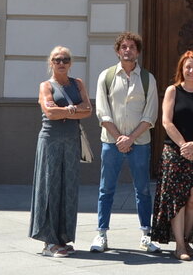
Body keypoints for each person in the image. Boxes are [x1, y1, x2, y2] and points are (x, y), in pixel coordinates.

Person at [91, 32, 161, 253]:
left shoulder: (148, 79)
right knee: (106, 189)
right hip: (110, 142)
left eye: (132, 47)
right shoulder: (106, 76)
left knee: (143, 190)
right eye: (124, 47)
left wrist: (130, 138)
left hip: (139, 143)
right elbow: (102, 112)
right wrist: (119, 137)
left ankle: (146, 235)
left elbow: (150, 114)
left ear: (138, 51)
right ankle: (101, 234)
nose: (128, 50)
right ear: (118, 51)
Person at [150, 50, 193, 260]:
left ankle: (187, 240)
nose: (191, 71)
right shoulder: (172, 90)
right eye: (187, 67)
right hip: (174, 152)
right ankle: (179, 246)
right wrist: (183, 146)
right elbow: (166, 121)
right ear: (181, 69)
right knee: (177, 198)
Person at [29, 46, 92, 257]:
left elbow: (88, 110)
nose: (61, 63)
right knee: (50, 188)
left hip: (72, 141)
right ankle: (49, 242)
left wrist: (64, 112)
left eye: (65, 59)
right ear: (51, 63)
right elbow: (50, 112)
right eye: (57, 59)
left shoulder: (78, 84)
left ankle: (62, 238)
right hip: (51, 141)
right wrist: (72, 110)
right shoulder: (46, 86)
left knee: (68, 188)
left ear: (70, 63)